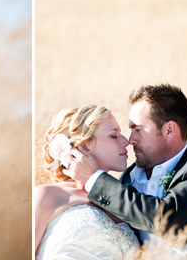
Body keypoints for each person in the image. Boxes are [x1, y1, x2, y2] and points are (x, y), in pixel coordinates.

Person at [62, 84, 187, 252]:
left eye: (137, 129)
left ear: (169, 130)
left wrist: (94, 179)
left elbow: (165, 218)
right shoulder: (129, 177)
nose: (130, 140)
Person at [35, 104, 139, 259]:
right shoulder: (48, 195)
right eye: (114, 135)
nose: (126, 141)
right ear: (84, 145)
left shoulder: (124, 199)